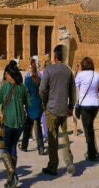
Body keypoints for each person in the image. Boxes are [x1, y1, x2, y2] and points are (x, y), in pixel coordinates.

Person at [39, 44, 77, 177]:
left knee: (53, 139)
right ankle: (69, 162)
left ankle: (53, 166)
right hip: (64, 110)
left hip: (51, 109)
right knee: (65, 137)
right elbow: (73, 92)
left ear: (54, 57)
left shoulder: (49, 70)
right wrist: (71, 107)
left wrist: (44, 102)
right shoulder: (68, 71)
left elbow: (42, 89)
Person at [0, 60, 31, 188]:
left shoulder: (5, 87)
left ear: (10, 75)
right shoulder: (23, 87)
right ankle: (11, 181)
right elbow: (29, 103)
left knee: (4, 149)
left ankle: (13, 174)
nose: (5, 76)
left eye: (6, 74)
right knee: (13, 147)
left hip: (8, 122)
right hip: (20, 123)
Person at [74, 56, 99, 161]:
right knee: (90, 127)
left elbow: (74, 85)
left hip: (85, 105)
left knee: (87, 130)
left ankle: (91, 154)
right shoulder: (97, 75)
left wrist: (76, 73)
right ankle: (93, 151)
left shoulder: (80, 75)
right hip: (95, 104)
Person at [21, 56, 46, 155]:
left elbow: (25, 93)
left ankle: (24, 146)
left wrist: (24, 104)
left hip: (30, 105)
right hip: (38, 105)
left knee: (28, 126)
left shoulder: (27, 80)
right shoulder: (40, 79)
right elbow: (42, 93)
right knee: (37, 126)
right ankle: (41, 148)